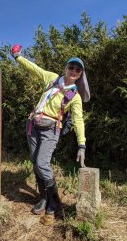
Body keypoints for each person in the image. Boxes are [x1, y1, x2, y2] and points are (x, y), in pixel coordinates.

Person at [11, 44, 90, 223]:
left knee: (42, 163)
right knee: (34, 162)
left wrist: (82, 145)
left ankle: (54, 200)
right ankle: (43, 198)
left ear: (80, 75)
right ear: (66, 68)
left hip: (51, 129)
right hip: (32, 125)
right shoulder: (53, 78)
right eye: (71, 67)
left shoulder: (75, 96)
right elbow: (35, 69)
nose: (73, 71)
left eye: (78, 70)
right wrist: (18, 58)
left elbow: (78, 120)